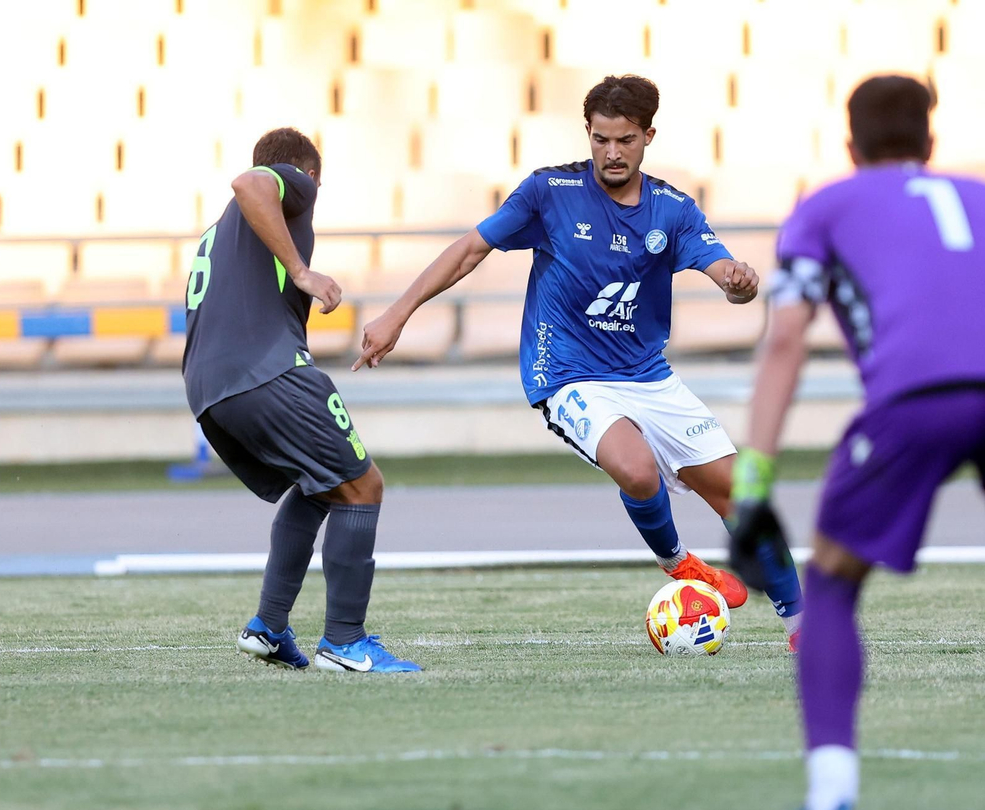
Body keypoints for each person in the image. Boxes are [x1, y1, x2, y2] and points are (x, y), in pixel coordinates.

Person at [731, 75, 985, 810]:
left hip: (918, 396)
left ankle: (830, 808)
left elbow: (785, 338)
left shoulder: (824, 206)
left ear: (850, 146)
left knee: (831, 580)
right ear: (932, 139)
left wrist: (753, 485)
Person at [354, 75, 803, 646]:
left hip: (649, 375)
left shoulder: (674, 210)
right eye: (600, 139)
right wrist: (398, 314)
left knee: (741, 495)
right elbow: (469, 250)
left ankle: (803, 627)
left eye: (625, 140)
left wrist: (739, 283)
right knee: (636, 468)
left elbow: (724, 274)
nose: (611, 153)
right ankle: (677, 562)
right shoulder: (549, 192)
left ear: (648, 137)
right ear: (587, 133)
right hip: (568, 373)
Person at [183, 127, 419, 674]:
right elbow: (250, 182)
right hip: (264, 371)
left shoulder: (221, 234)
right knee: (363, 486)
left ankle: (268, 626)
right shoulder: (291, 181)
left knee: (320, 486)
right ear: (308, 175)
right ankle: (344, 641)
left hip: (209, 388)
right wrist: (302, 271)